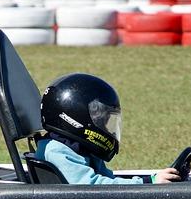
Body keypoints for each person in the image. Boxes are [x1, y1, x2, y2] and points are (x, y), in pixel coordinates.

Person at [36, 73, 180, 185]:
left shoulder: (78, 148)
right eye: (100, 120)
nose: (105, 126)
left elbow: (107, 178)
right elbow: (94, 187)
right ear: (76, 117)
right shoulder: (57, 152)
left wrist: (150, 180)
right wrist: (147, 183)